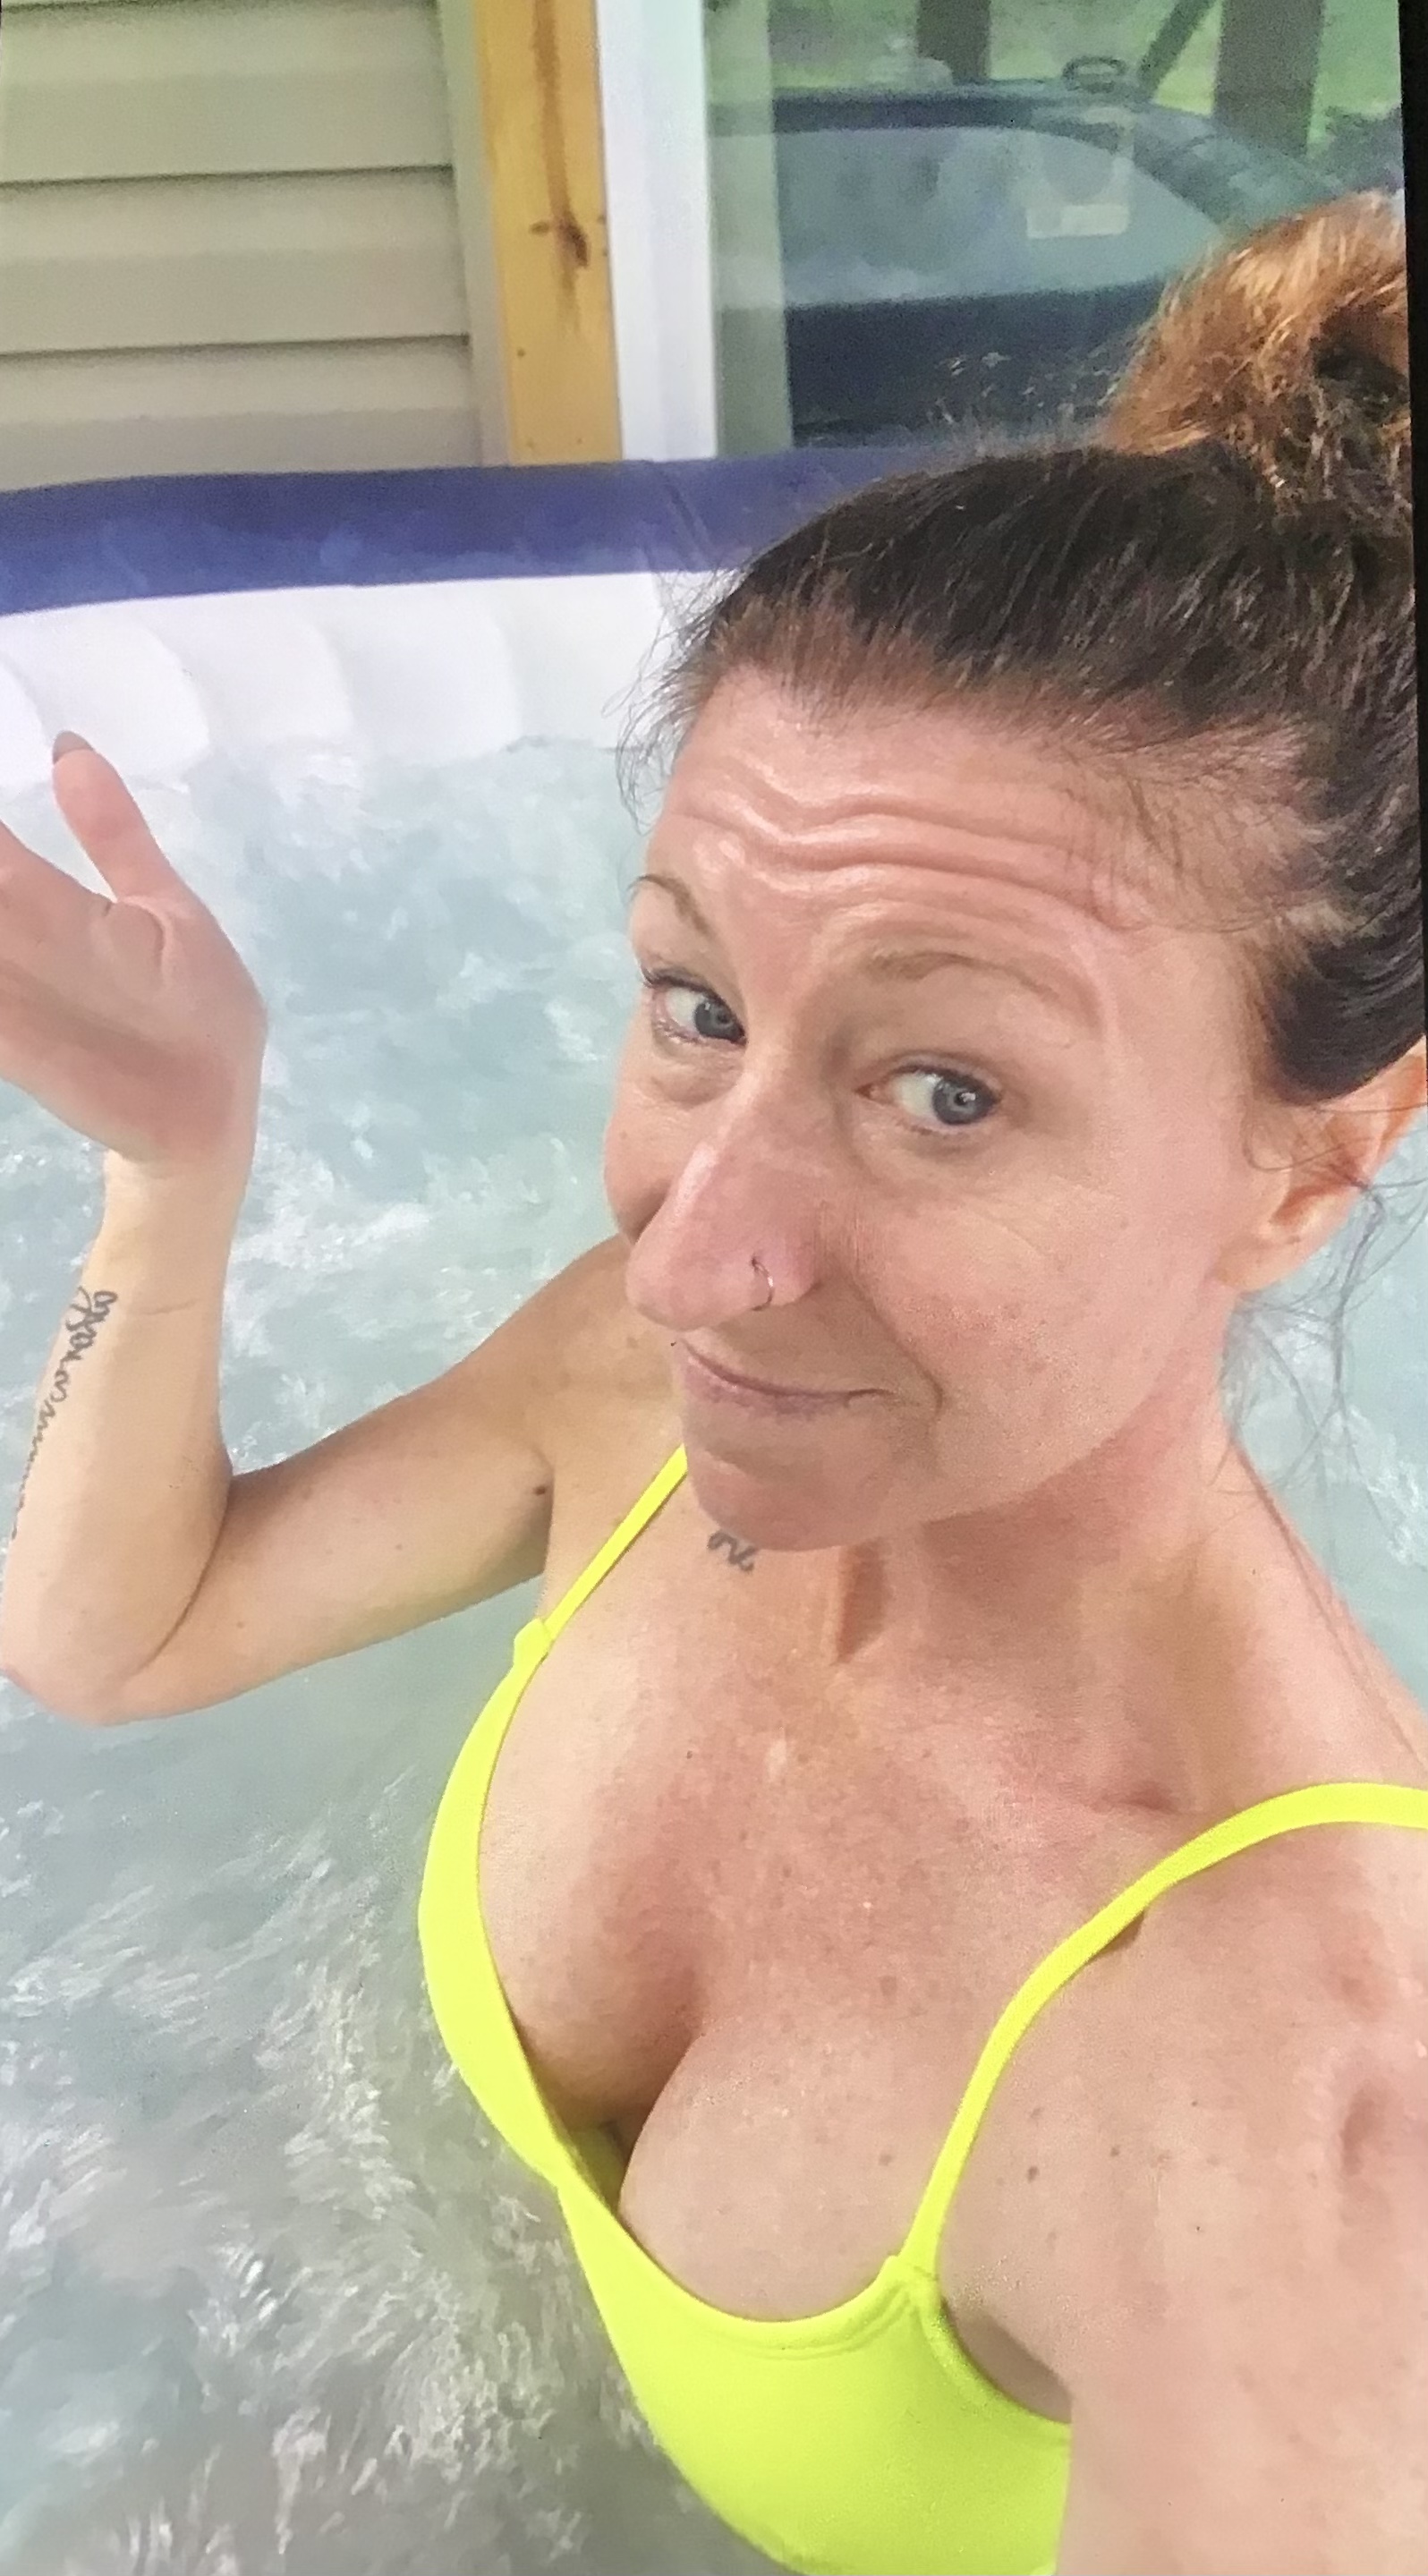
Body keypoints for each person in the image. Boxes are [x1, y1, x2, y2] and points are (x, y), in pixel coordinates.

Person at [2, 196, 1426, 2576]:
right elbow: (116, 1639)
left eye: (946, 1093)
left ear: (1311, 1168)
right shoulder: (638, 1383)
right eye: (698, 1005)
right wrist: (176, 1159)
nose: (696, 1252)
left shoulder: (1290, 2117)